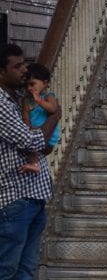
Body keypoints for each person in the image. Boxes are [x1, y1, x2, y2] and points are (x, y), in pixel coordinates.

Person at [0, 44, 51, 280]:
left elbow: (43, 146)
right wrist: (57, 115)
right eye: (17, 66)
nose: (24, 70)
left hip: (35, 195)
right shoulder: (1, 103)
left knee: (26, 270)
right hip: (15, 198)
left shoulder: (19, 97)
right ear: (1, 72)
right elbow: (29, 141)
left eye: (24, 64)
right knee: (7, 268)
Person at [19, 63, 59, 173]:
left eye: (32, 84)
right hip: (34, 131)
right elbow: (25, 116)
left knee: (36, 144)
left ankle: (35, 163)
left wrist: (39, 101)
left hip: (49, 133)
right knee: (30, 144)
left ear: (45, 83)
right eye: (26, 85)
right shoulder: (26, 100)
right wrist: (28, 127)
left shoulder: (48, 96)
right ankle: (34, 164)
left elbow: (53, 109)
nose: (29, 88)